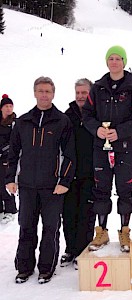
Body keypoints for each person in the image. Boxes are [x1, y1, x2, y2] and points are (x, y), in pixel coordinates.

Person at [5, 77, 75, 284]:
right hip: (27, 185)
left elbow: (69, 155)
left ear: (53, 94)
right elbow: (13, 153)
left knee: (50, 228)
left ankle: (46, 268)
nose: (44, 95)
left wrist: (64, 181)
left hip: (52, 187)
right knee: (26, 226)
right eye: (40, 91)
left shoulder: (62, 121)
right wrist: (11, 178)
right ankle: (24, 267)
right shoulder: (23, 122)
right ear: (34, 93)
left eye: (48, 91)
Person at [82, 45, 132, 253]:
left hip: (125, 146)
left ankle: (124, 230)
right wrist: (97, 130)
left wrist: (120, 132)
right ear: (106, 62)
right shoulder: (98, 87)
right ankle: (101, 231)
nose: (114, 62)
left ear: (124, 62)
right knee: (101, 188)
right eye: (111, 58)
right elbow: (87, 115)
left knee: (124, 188)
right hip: (101, 146)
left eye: (118, 58)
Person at [60, 79, 95, 270]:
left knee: (86, 214)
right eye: (78, 93)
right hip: (69, 174)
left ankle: (83, 249)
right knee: (69, 212)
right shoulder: (67, 116)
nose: (81, 96)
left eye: (84, 93)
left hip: (90, 173)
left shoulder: (96, 114)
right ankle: (70, 249)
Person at [0, 94, 17, 224]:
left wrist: (3, 150)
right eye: (6, 106)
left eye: (10, 106)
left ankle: (11, 210)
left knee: (6, 184)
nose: (8, 108)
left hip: (7, 158)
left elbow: (15, 142)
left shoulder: (14, 123)